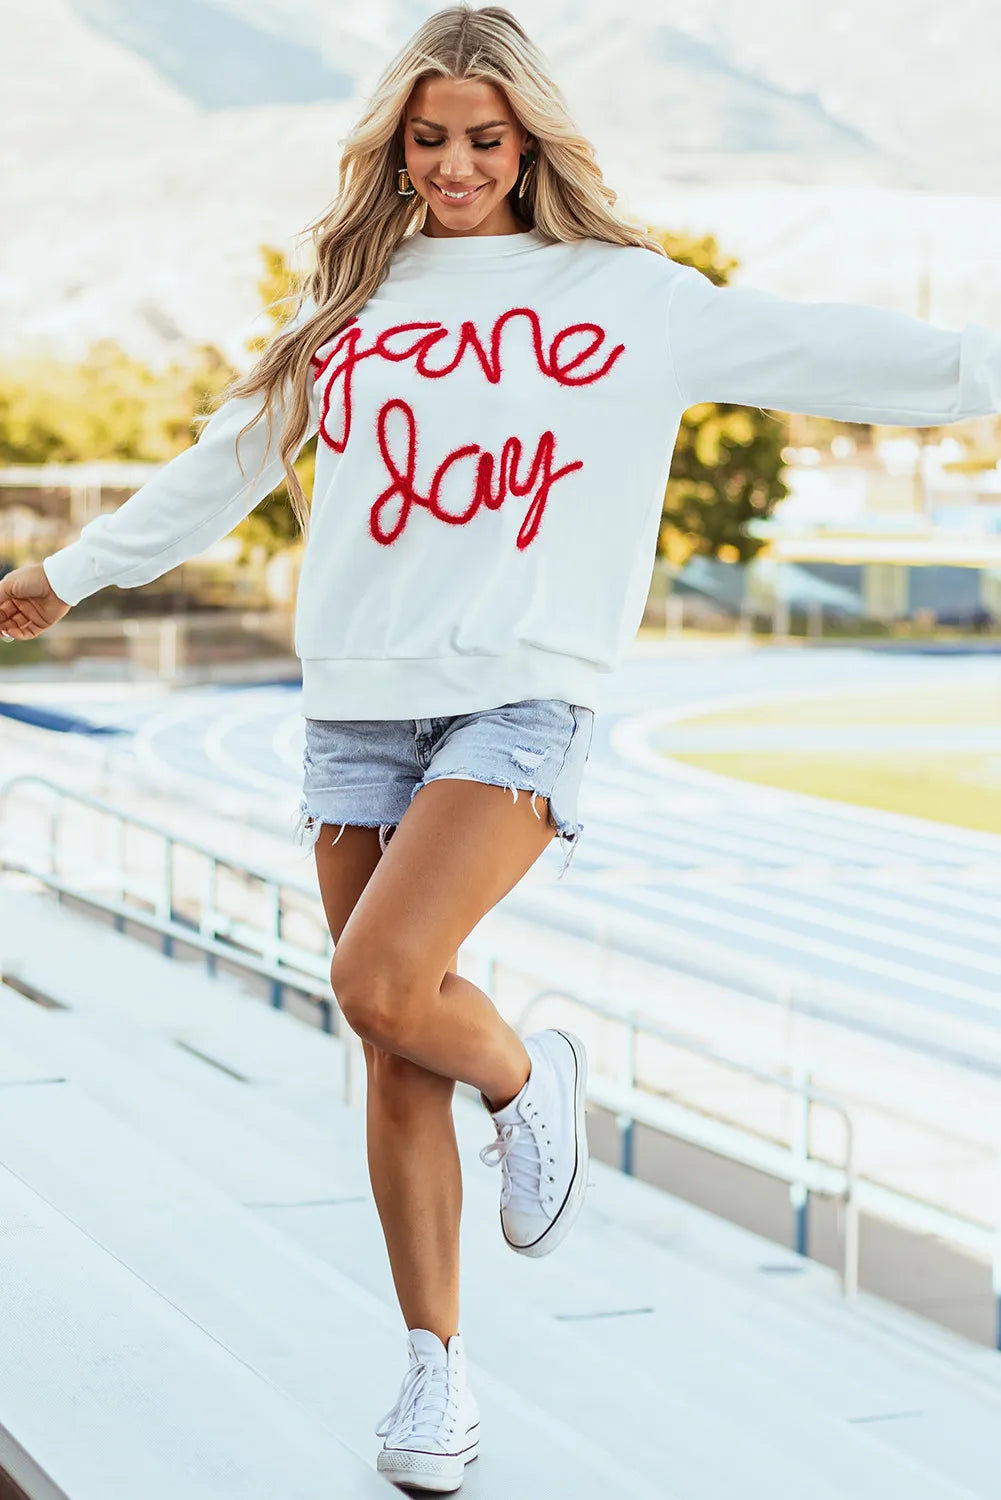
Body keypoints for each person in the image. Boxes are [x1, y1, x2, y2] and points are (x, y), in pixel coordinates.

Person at [2, 4, 1000, 1492]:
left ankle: (528, 1084)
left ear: (527, 137)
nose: (456, 164)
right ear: (394, 148)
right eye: (428, 139)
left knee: (382, 978)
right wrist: (65, 575)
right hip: (354, 696)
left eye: (482, 137)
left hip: (520, 690)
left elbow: (864, 356)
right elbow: (224, 465)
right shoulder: (349, 299)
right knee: (390, 1041)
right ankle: (434, 1375)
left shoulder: (630, 297)